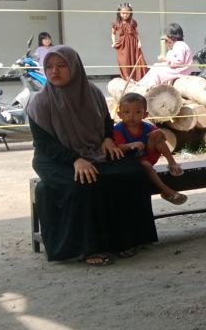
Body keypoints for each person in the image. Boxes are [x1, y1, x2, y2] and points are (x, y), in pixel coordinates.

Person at [28, 46, 158, 266]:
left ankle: (128, 239)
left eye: (61, 66)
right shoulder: (40, 102)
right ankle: (89, 249)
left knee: (133, 171)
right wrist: (75, 160)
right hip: (54, 160)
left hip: (94, 151)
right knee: (85, 183)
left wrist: (108, 138)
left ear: (75, 67)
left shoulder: (91, 92)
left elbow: (106, 122)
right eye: (49, 67)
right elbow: (44, 144)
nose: (54, 72)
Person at [112, 91, 187, 205]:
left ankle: (172, 163)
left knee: (157, 138)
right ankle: (166, 191)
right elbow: (119, 148)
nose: (131, 116)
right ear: (120, 114)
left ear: (145, 115)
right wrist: (131, 145)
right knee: (146, 165)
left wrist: (159, 132)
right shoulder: (119, 129)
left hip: (146, 155)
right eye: (126, 112)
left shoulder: (146, 126)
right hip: (129, 161)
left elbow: (164, 138)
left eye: (137, 112)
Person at [136, 23, 193, 88]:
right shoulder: (178, 45)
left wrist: (165, 59)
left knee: (156, 70)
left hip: (181, 70)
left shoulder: (179, 45)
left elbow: (179, 62)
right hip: (179, 69)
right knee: (156, 66)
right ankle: (141, 84)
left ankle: (145, 86)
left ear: (172, 36)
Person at [111, 3, 148, 81]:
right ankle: (127, 78)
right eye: (123, 13)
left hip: (133, 43)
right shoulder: (116, 23)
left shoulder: (132, 22)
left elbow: (136, 33)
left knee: (135, 60)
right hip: (123, 44)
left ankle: (137, 78)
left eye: (127, 13)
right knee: (124, 61)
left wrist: (139, 41)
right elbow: (113, 33)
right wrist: (113, 42)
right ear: (119, 13)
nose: (125, 15)